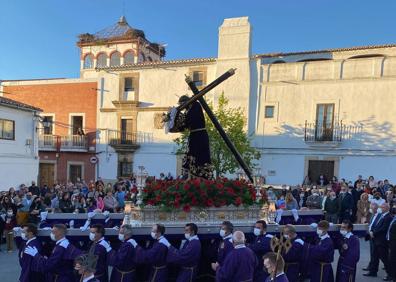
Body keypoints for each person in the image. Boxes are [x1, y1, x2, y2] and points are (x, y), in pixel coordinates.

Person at [171, 95, 213, 179]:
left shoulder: (196, 106)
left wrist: (178, 115)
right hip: (194, 136)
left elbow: (189, 120)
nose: (183, 107)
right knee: (192, 156)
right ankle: (192, 177)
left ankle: (202, 177)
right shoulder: (188, 110)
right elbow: (184, 126)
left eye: (182, 104)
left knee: (200, 157)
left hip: (200, 135)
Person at [365, 203, 393, 280]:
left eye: (382, 207)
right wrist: (372, 232)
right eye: (381, 207)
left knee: (384, 258)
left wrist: (373, 233)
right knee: (375, 256)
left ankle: (390, 275)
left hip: (382, 241)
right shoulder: (383, 216)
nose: (381, 208)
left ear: (387, 208)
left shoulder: (388, 217)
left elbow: (383, 228)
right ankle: (373, 271)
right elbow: (377, 225)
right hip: (376, 239)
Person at [363, 202, 381, 272]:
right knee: (372, 253)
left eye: (372, 208)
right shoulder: (373, 215)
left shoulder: (379, 216)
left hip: (375, 236)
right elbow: (371, 224)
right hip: (370, 236)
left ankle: (373, 269)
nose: (371, 209)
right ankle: (371, 266)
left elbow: (377, 226)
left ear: (376, 208)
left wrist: (372, 232)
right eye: (370, 207)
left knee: (375, 254)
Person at [387, 207, 396, 282]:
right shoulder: (394, 218)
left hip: (394, 243)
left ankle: (393, 276)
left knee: (393, 260)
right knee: (392, 260)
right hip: (391, 242)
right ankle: (392, 276)